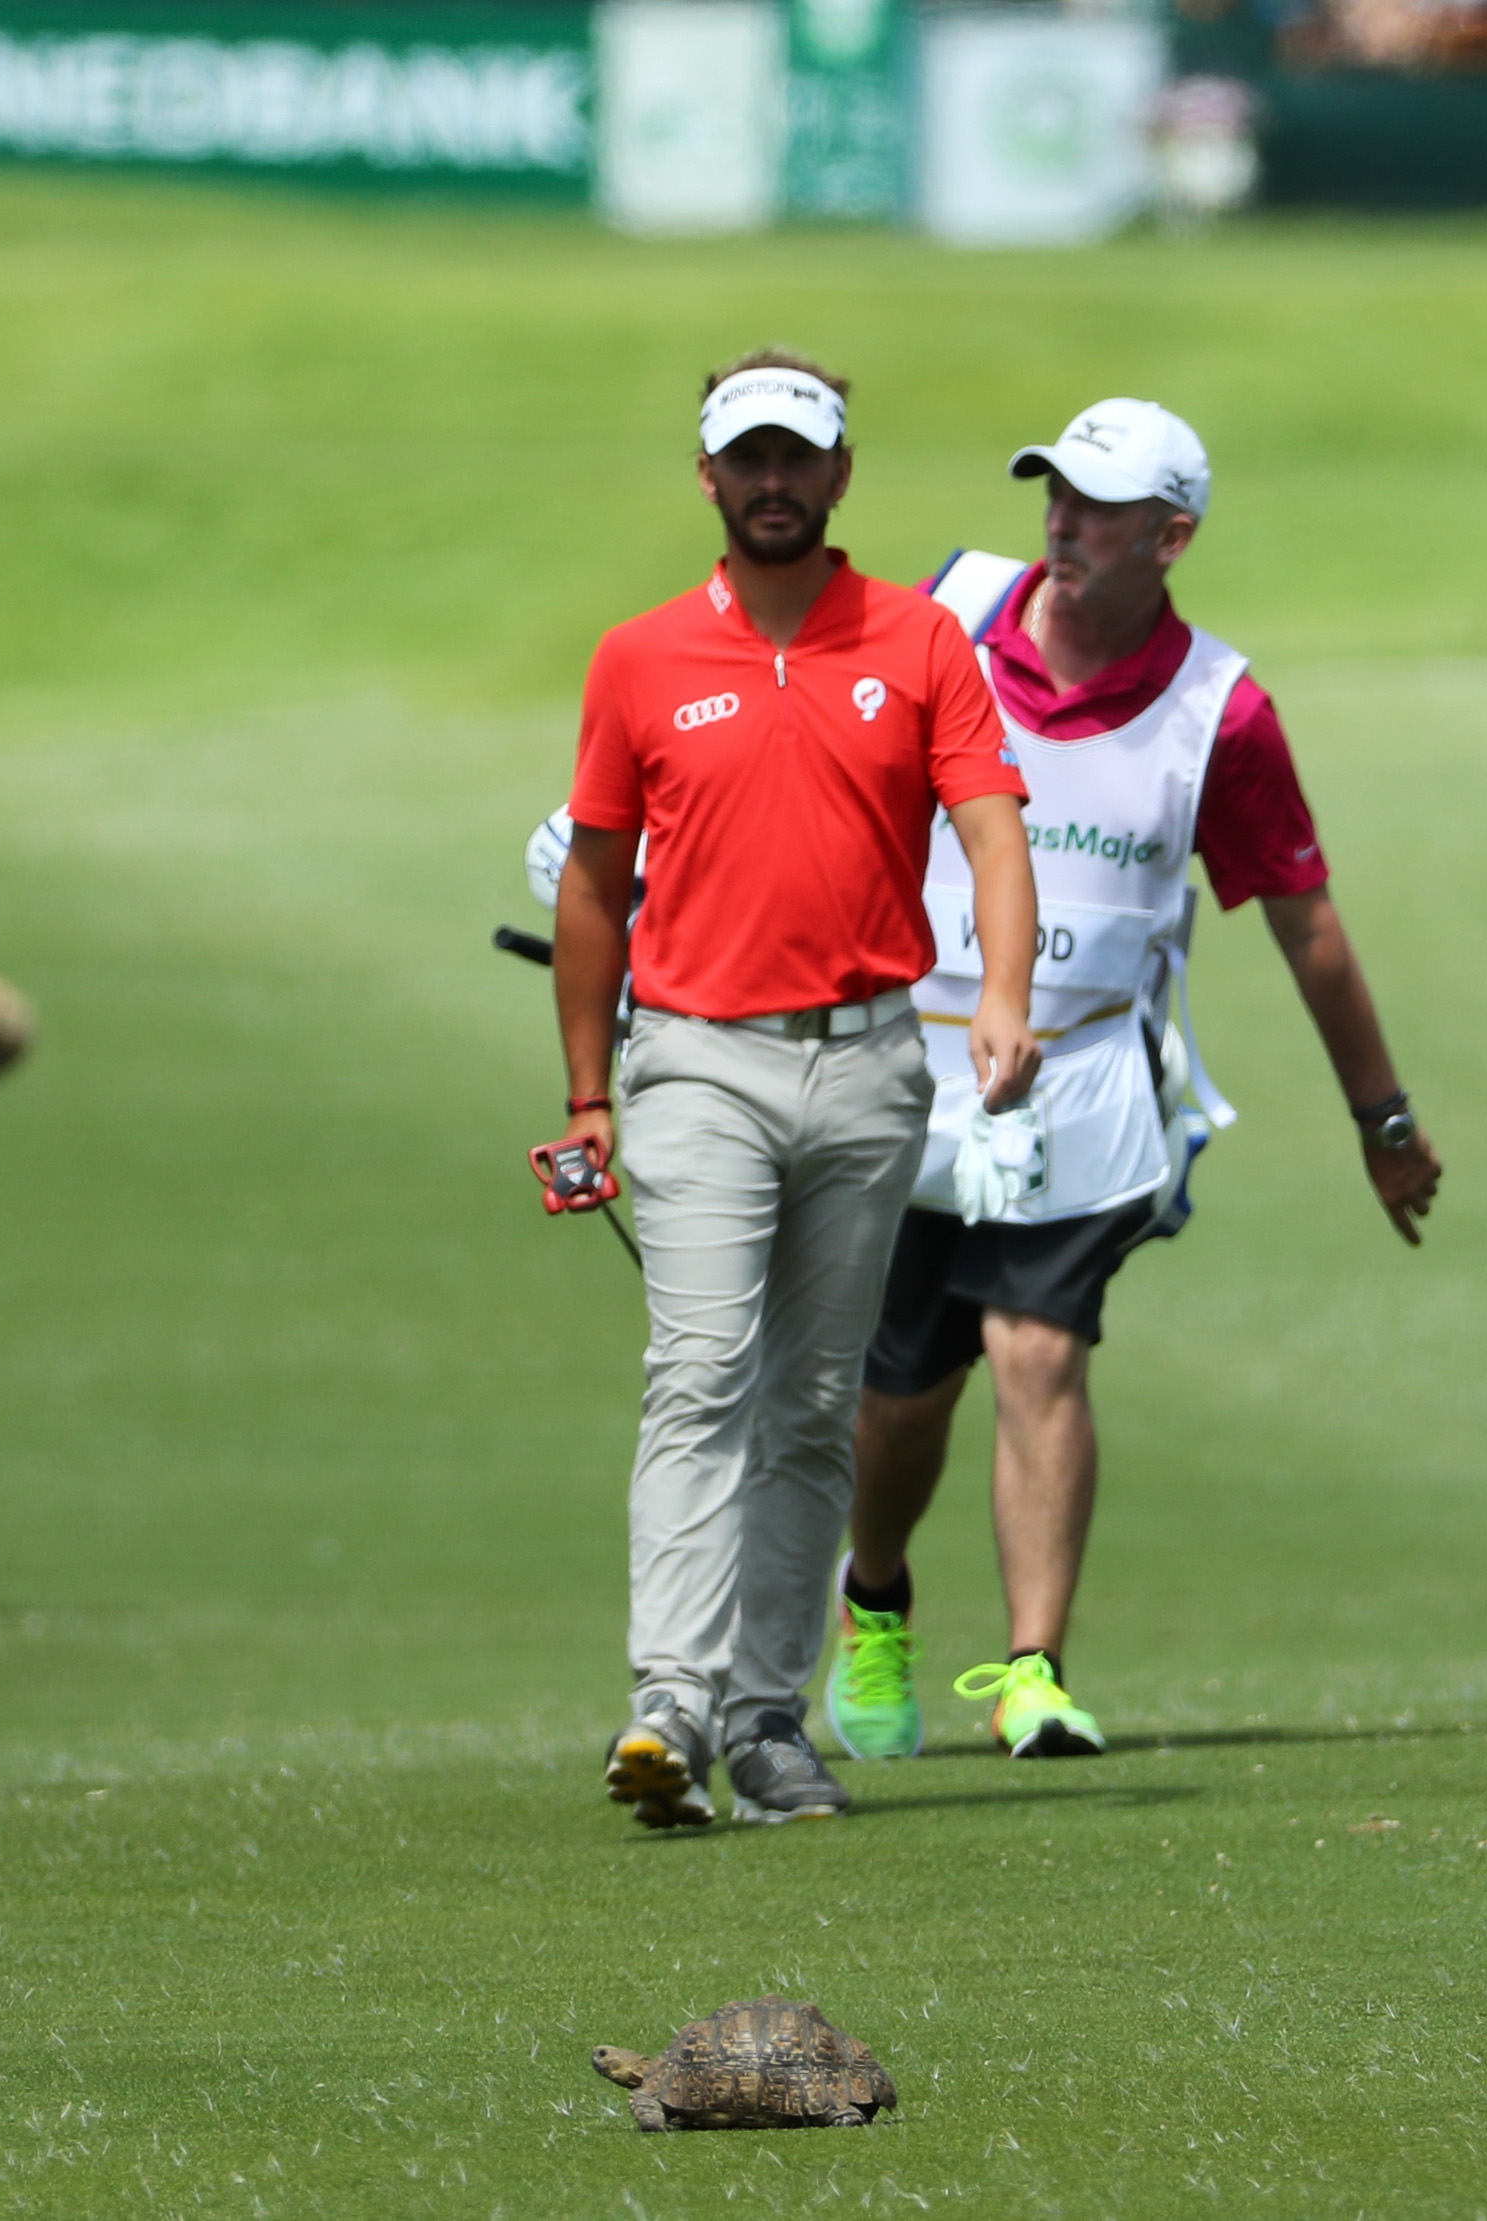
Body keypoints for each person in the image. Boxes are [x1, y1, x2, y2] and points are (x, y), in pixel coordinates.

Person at [824, 399, 1443, 1765]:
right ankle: (873, 1595)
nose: (1058, 521)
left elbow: (1304, 921)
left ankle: (1035, 1667)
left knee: (1036, 1344)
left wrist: (1378, 1117)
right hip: (909, 1075)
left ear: (1170, 536)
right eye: (1051, 491)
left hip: (1089, 1082)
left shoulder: (1219, 710)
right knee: (899, 1394)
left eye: (1095, 506)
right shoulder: (947, 611)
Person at [554, 349, 1043, 1828]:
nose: (771, 483)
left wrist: (1004, 998)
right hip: (696, 1057)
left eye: (796, 458)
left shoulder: (916, 642)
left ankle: (765, 1716)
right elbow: (592, 882)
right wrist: (589, 1093)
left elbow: (994, 830)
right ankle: (667, 1702)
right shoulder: (637, 658)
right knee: (700, 1372)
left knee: (817, 1401)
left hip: (871, 1057)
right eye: (745, 459)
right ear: (707, 477)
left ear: (837, 474)